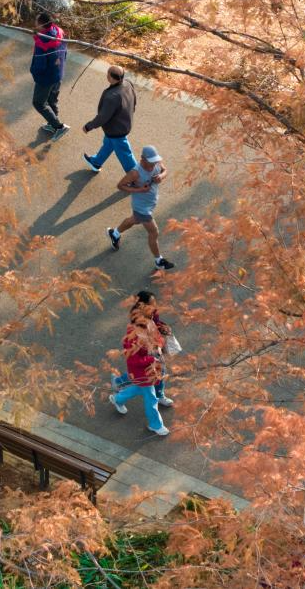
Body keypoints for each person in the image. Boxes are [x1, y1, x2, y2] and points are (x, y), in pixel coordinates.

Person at [108, 294, 170, 436]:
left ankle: (117, 398)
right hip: (142, 371)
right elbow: (133, 360)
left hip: (151, 368)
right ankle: (156, 425)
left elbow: (158, 338)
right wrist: (152, 359)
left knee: (138, 389)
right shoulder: (133, 336)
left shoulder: (150, 323)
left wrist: (158, 346)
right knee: (150, 398)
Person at [107, 145, 175, 271]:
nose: (153, 165)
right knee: (154, 232)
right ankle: (159, 261)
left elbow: (165, 170)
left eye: (155, 161)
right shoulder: (135, 173)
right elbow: (120, 186)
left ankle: (114, 233)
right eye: (151, 162)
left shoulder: (156, 162)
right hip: (141, 207)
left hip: (150, 203)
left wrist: (161, 176)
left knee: (135, 220)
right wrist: (139, 190)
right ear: (143, 159)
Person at [82, 65, 137, 173]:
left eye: (108, 73)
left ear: (110, 77)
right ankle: (96, 162)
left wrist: (89, 126)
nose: (106, 75)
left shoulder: (112, 96)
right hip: (124, 122)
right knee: (109, 143)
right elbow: (134, 100)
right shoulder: (128, 83)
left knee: (125, 154)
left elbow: (103, 117)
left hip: (117, 130)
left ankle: (136, 176)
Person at [30, 11, 69, 139]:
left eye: (36, 20)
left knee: (38, 102)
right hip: (58, 73)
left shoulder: (42, 45)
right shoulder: (59, 32)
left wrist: (34, 73)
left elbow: (39, 66)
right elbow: (65, 51)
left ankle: (59, 127)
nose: (35, 22)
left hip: (46, 78)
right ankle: (52, 122)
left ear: (41, 25)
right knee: (52, 99)